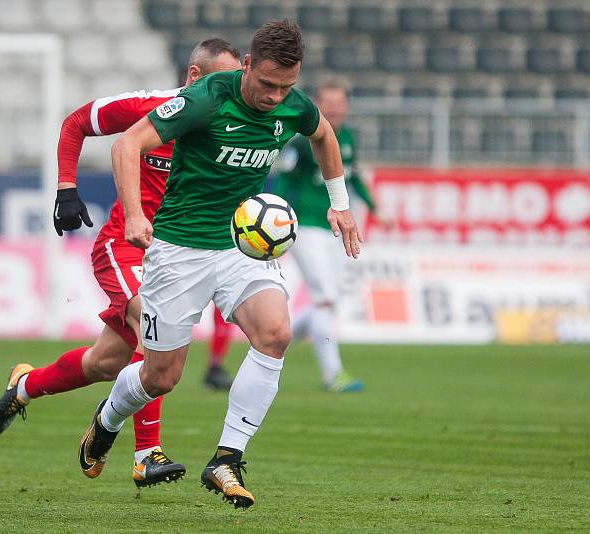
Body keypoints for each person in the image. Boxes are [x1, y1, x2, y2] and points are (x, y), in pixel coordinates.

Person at [77, 20, 363, 509]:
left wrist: (339, 202)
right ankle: (107, 419)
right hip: (180, 247)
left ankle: (228, 456)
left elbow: (324, 135)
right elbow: (128, 145)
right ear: (247, 65)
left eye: (285, 87)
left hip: (240, 244)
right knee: (161, 376)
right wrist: (135, 214)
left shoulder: (294, 104)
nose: (275, 97)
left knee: (275, 334)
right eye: (267, 84)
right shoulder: (206, 98)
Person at [0, 38, 241, 489]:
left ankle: (24, 386)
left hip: (174, 256)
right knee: (152, 325)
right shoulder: (152, 108)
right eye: (222, 81)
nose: (230, 92)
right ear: (195, 78)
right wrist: (66, 187)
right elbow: (78, 121)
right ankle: (146, 454)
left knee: (106, 363)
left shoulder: (228, 127)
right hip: (124, 246)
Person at [273, 77, 382, 392]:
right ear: (316, 105)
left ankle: (269, 343)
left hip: (335, 229)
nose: (334, 109)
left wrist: (377, 209)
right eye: (327, 103)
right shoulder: (301, 140)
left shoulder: (346, 137)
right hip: (306, 226)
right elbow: (284, 179)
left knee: (326, 301)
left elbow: (354, 178)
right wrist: (280, 217)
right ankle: (332, 375)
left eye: (339, 103)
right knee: (325, 298)